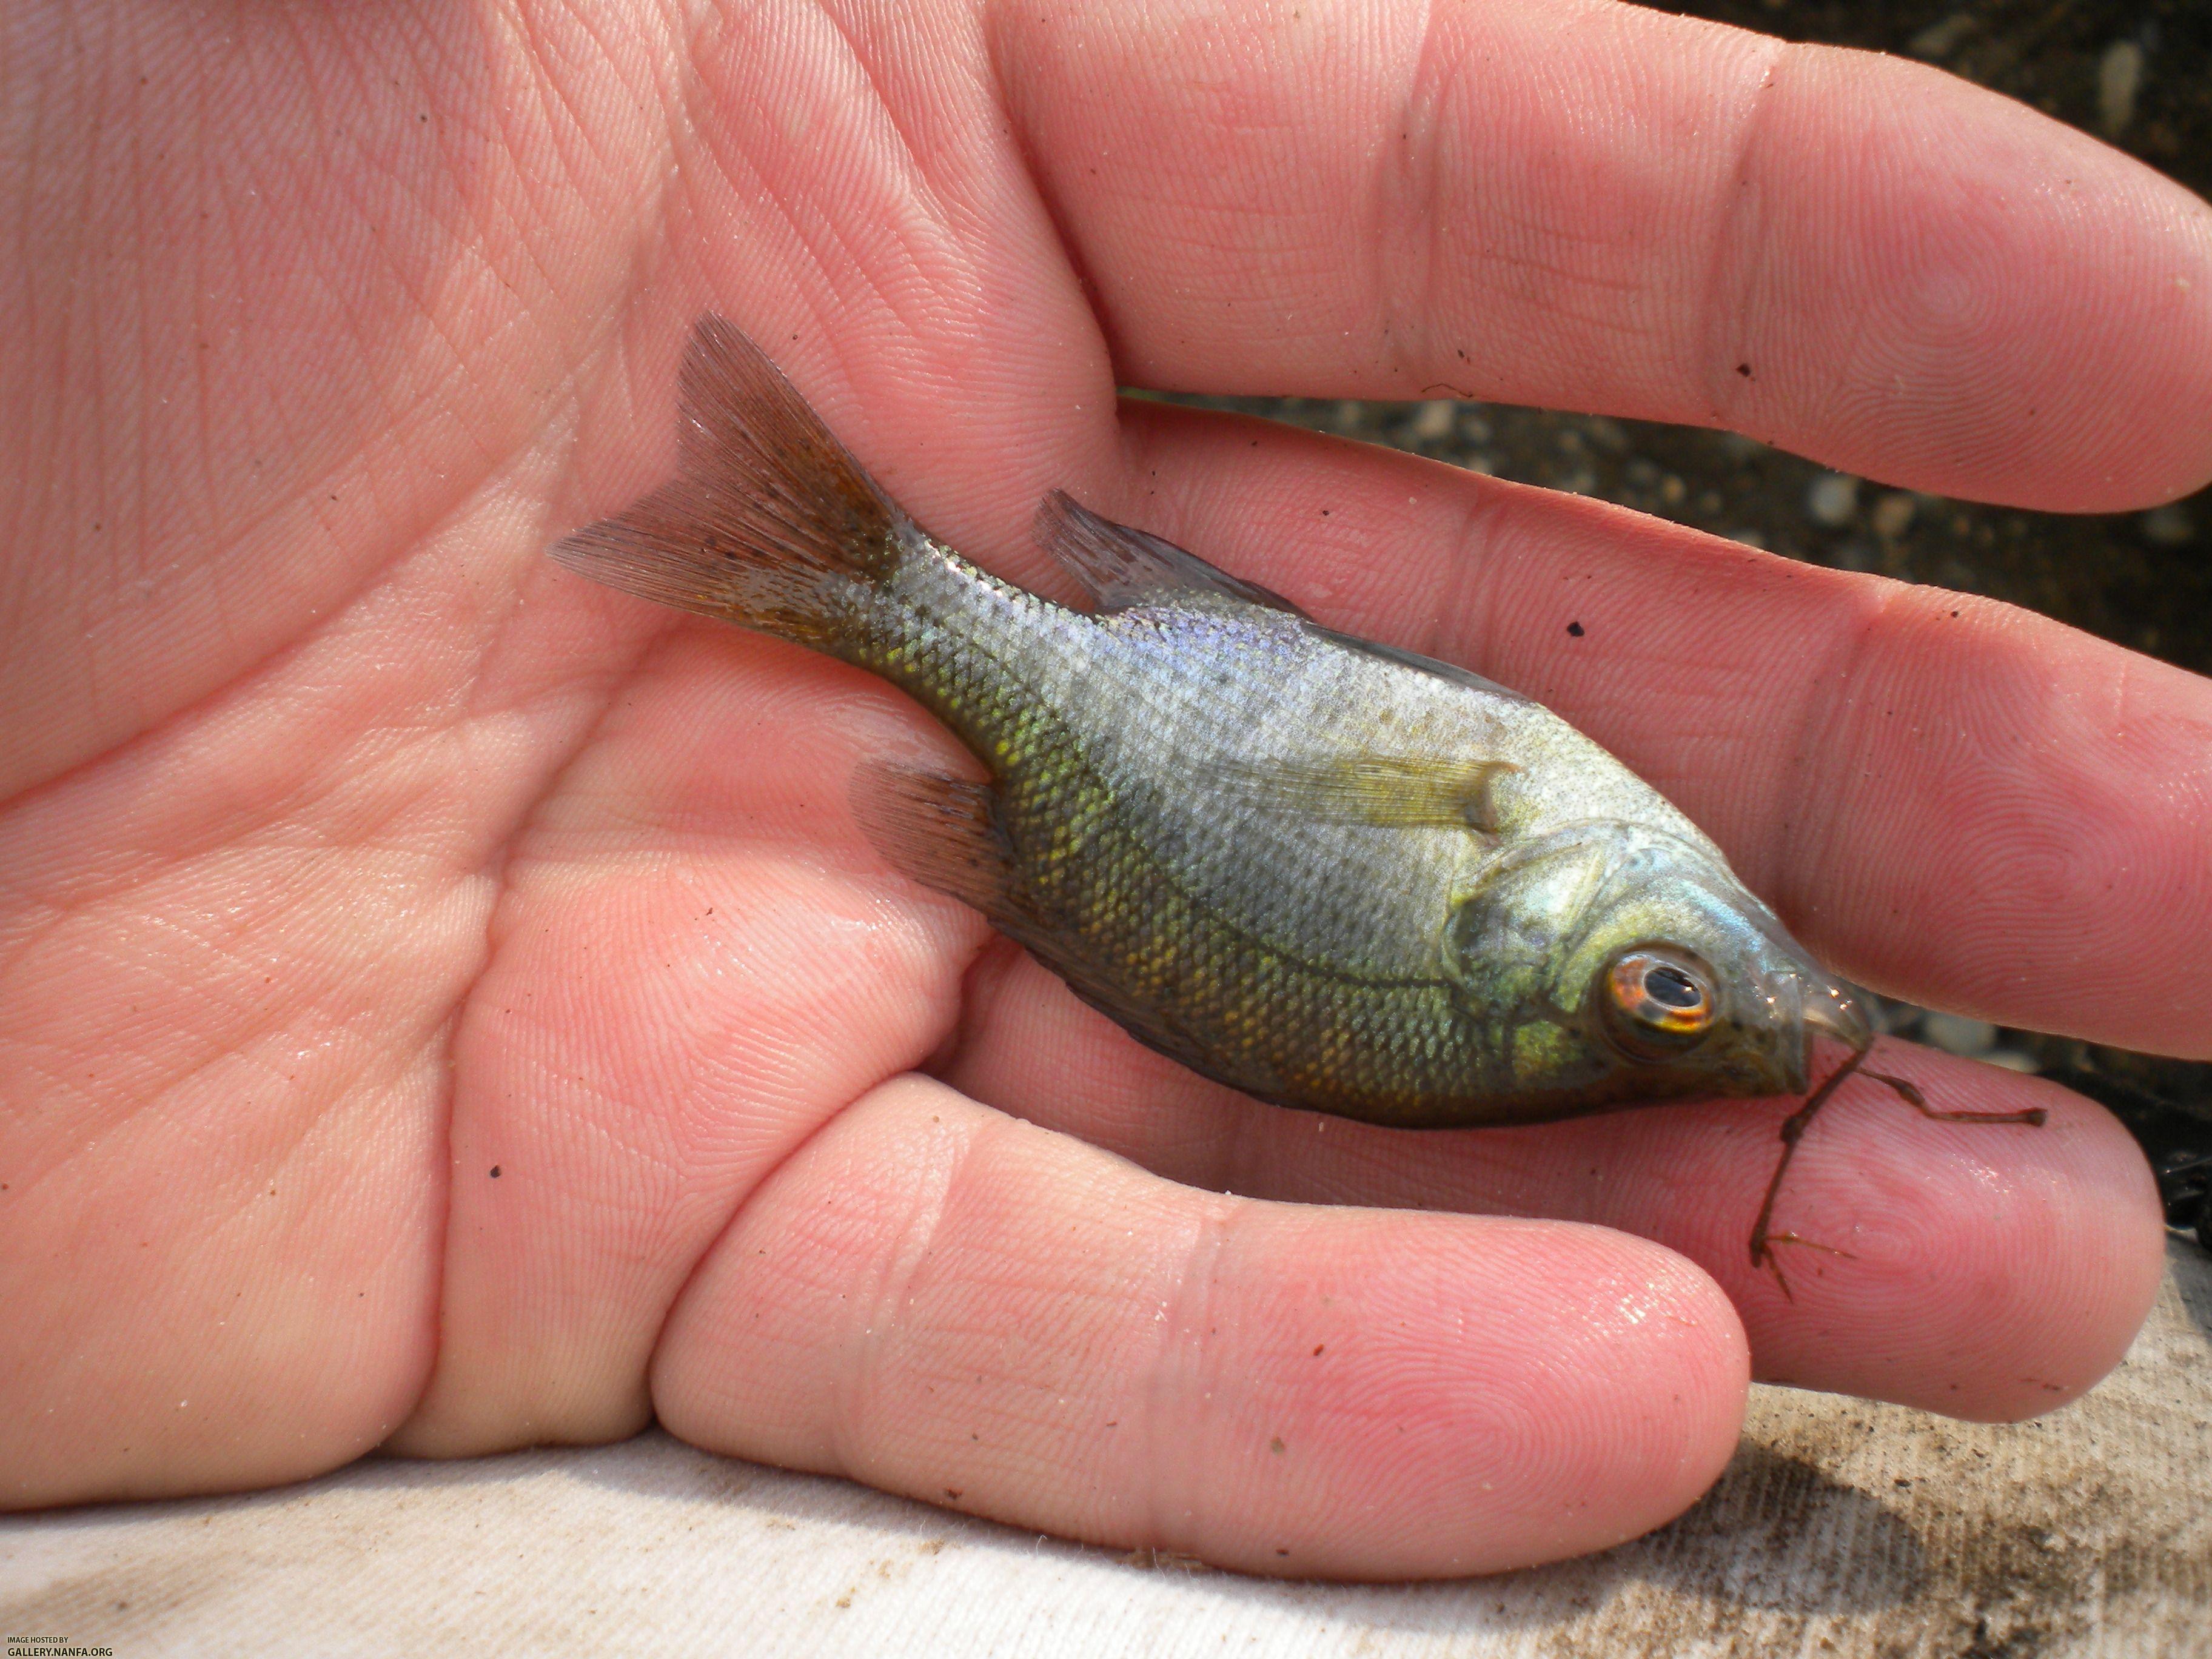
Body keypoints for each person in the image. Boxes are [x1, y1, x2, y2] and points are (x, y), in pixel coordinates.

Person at [2, 0, 2205, 1580]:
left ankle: (847, 576)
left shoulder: (1547, 882)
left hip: (1121, 688)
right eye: (1680, 1001)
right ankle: (854, 575)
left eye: (1679, 1016)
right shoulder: (1563, 866)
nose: (1732, 1004)